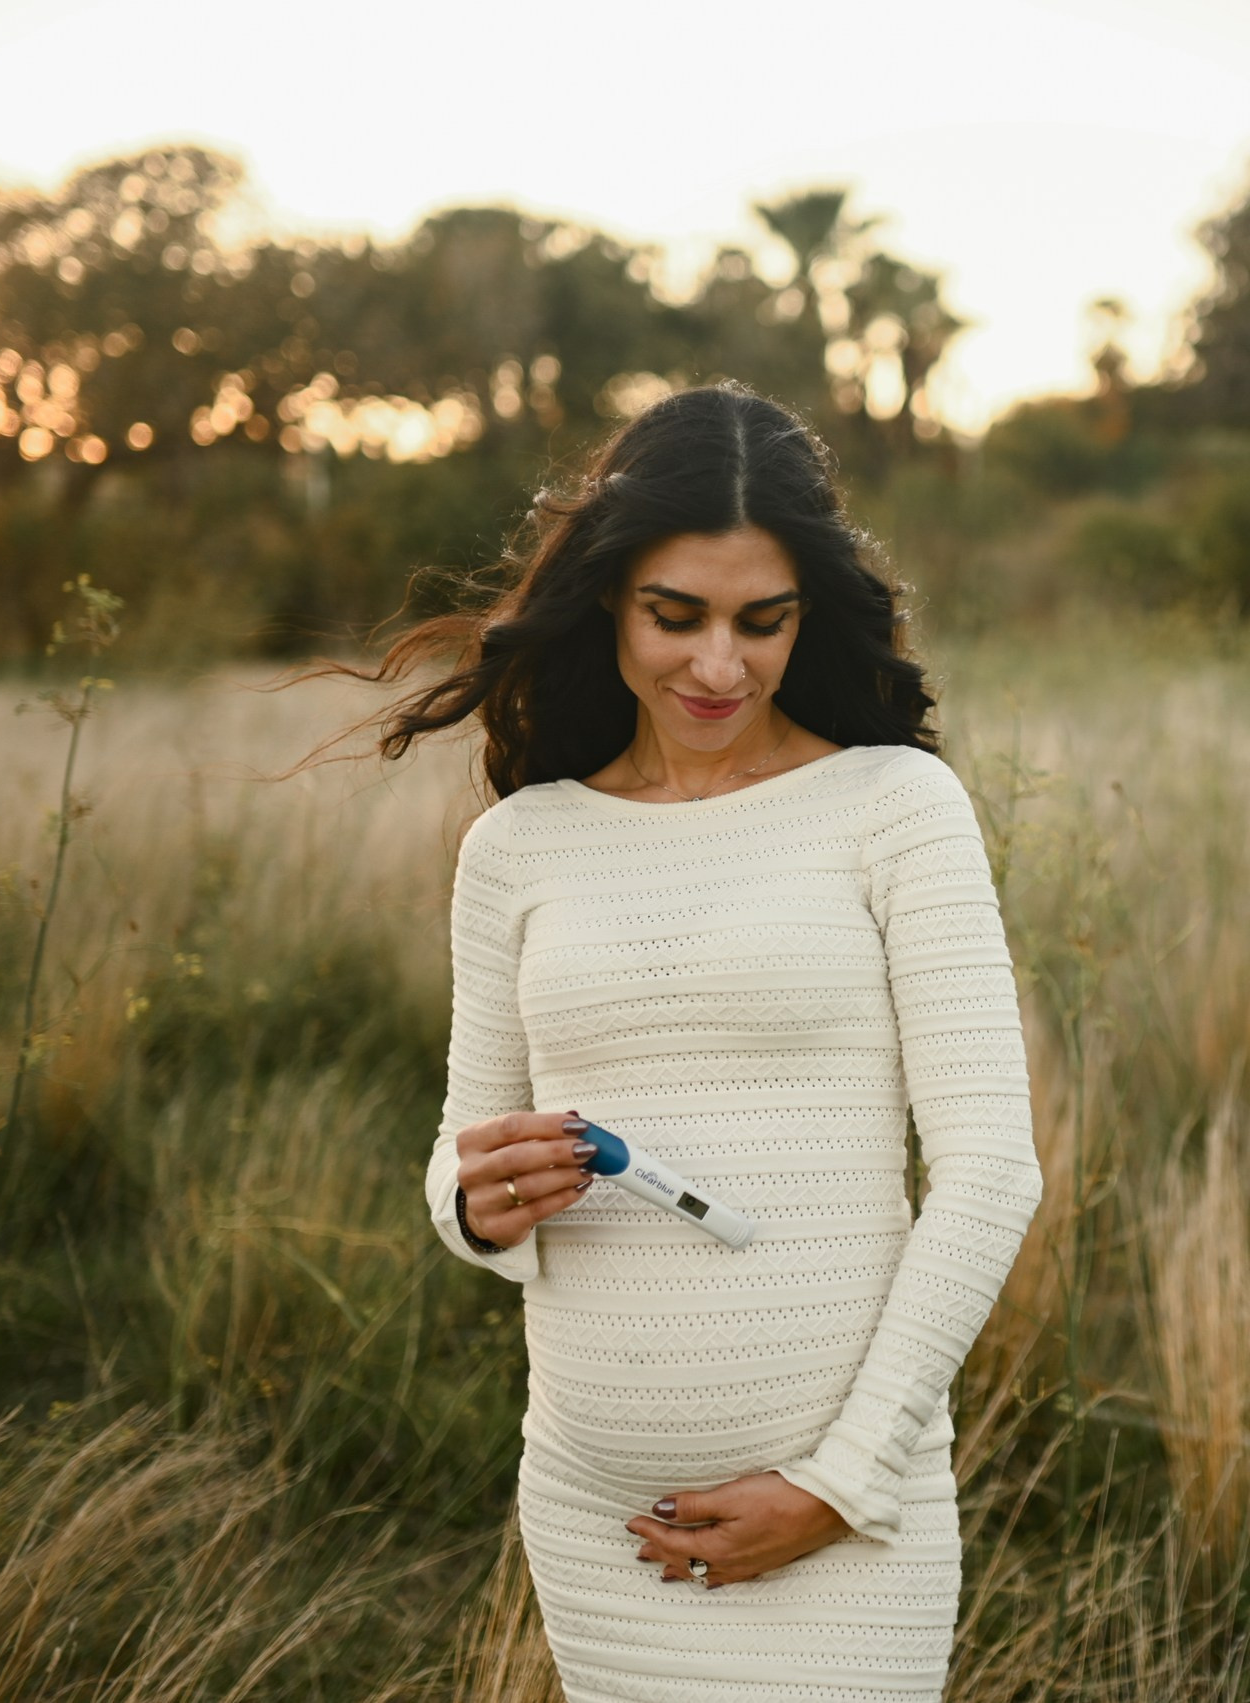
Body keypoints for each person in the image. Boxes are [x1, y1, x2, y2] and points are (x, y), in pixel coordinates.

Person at [354, 382, 1041, 1699]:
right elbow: (460, 1168)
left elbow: (991, 1174)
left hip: (843, 1521)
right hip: (602, 1515)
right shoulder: (519, 847)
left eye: (761, 622)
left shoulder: (894, 808)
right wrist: (481, 1209)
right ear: (608, 598)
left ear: (808, 615)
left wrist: (840, 1485)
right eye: (676, 617)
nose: (718, 666)